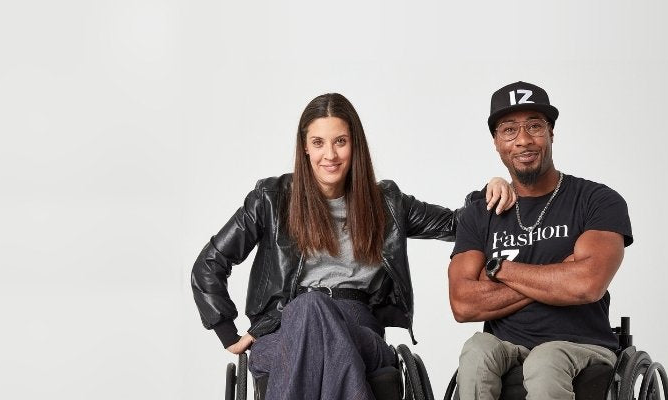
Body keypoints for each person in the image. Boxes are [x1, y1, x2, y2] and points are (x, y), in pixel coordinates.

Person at [191, 93, 516, 400]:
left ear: (354, 145)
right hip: (282, 329)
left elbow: (455, 224)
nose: (329, 155)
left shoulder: (386, 203)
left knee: (311, 308)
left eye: (340, 142)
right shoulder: (271, 200)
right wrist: (227, 333)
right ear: (305, 146)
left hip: (359, 325)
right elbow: (209, 263)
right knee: (308, 307)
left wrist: (492, 188)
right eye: (318, 143)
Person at [448, 82, 634, 400]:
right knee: (475, 351)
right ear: (496, 142)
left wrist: (498, 269)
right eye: (509, 130)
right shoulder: (480, 212)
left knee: (545, 361)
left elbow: (586, 285)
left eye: (534, 126)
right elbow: (463, 304)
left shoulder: (597, 200)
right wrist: (556, 277)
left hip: (582, 344)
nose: (523, 140)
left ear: (551, 133)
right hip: (505, 343)